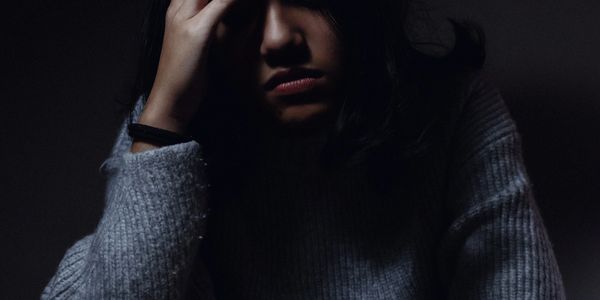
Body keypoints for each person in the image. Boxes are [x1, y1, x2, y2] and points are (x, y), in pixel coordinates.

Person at [42, 0, 566, 298]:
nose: (278, 39)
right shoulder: (169, 132)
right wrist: (163, 120)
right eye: (241, 8)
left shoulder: (451, 109)